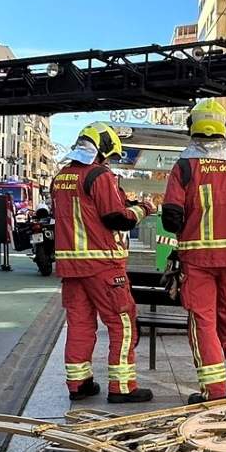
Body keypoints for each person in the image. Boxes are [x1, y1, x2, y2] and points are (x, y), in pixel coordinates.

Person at [162, 99, 226, 404]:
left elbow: (171, 219)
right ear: (225, 128)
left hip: (198, 260)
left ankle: (214, 390)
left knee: (203, 321)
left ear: (191, 128)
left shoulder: (184, 167)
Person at [52, 122, 155, 404]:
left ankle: (79, 384)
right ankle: (122, 387)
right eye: (109, 155)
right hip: (102, 266)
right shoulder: (99, 175)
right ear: (103, 149)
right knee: (122, 323)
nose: (109, 161)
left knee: (80, 324)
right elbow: (115, 219)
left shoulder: (60, 177)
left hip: (71, 268)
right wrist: (143, 208)